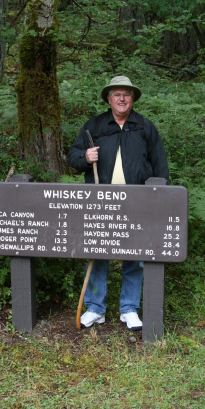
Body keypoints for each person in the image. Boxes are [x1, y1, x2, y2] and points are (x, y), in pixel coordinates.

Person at [66, 76, 169, 330]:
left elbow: (160, 165)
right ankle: (95, 308)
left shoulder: (145, 127)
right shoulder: (95, 126)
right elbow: (72, 156)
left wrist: (159, 196)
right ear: (109, 99)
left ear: (132, 98)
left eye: (126, 94)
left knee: (134, 254)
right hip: (101, 201)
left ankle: (129, 309)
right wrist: (85, 157)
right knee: (98, 252)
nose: (122, 99)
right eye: (116, 94)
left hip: (137, 201)